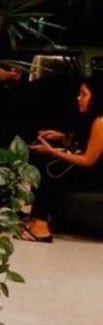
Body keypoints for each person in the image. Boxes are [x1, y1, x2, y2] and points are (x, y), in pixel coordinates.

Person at [26, 74, 103, 240]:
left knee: (52, 170)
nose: (78, 98)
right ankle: (38, 218)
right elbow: (80, 150)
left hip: (97, 176)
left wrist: (52, 151)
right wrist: (62, 139)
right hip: (93, 170)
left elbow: (88, 160)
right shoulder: (92, 119)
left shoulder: (101, 122)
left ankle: (40, 227)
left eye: (84, 94)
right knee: (45, 162)